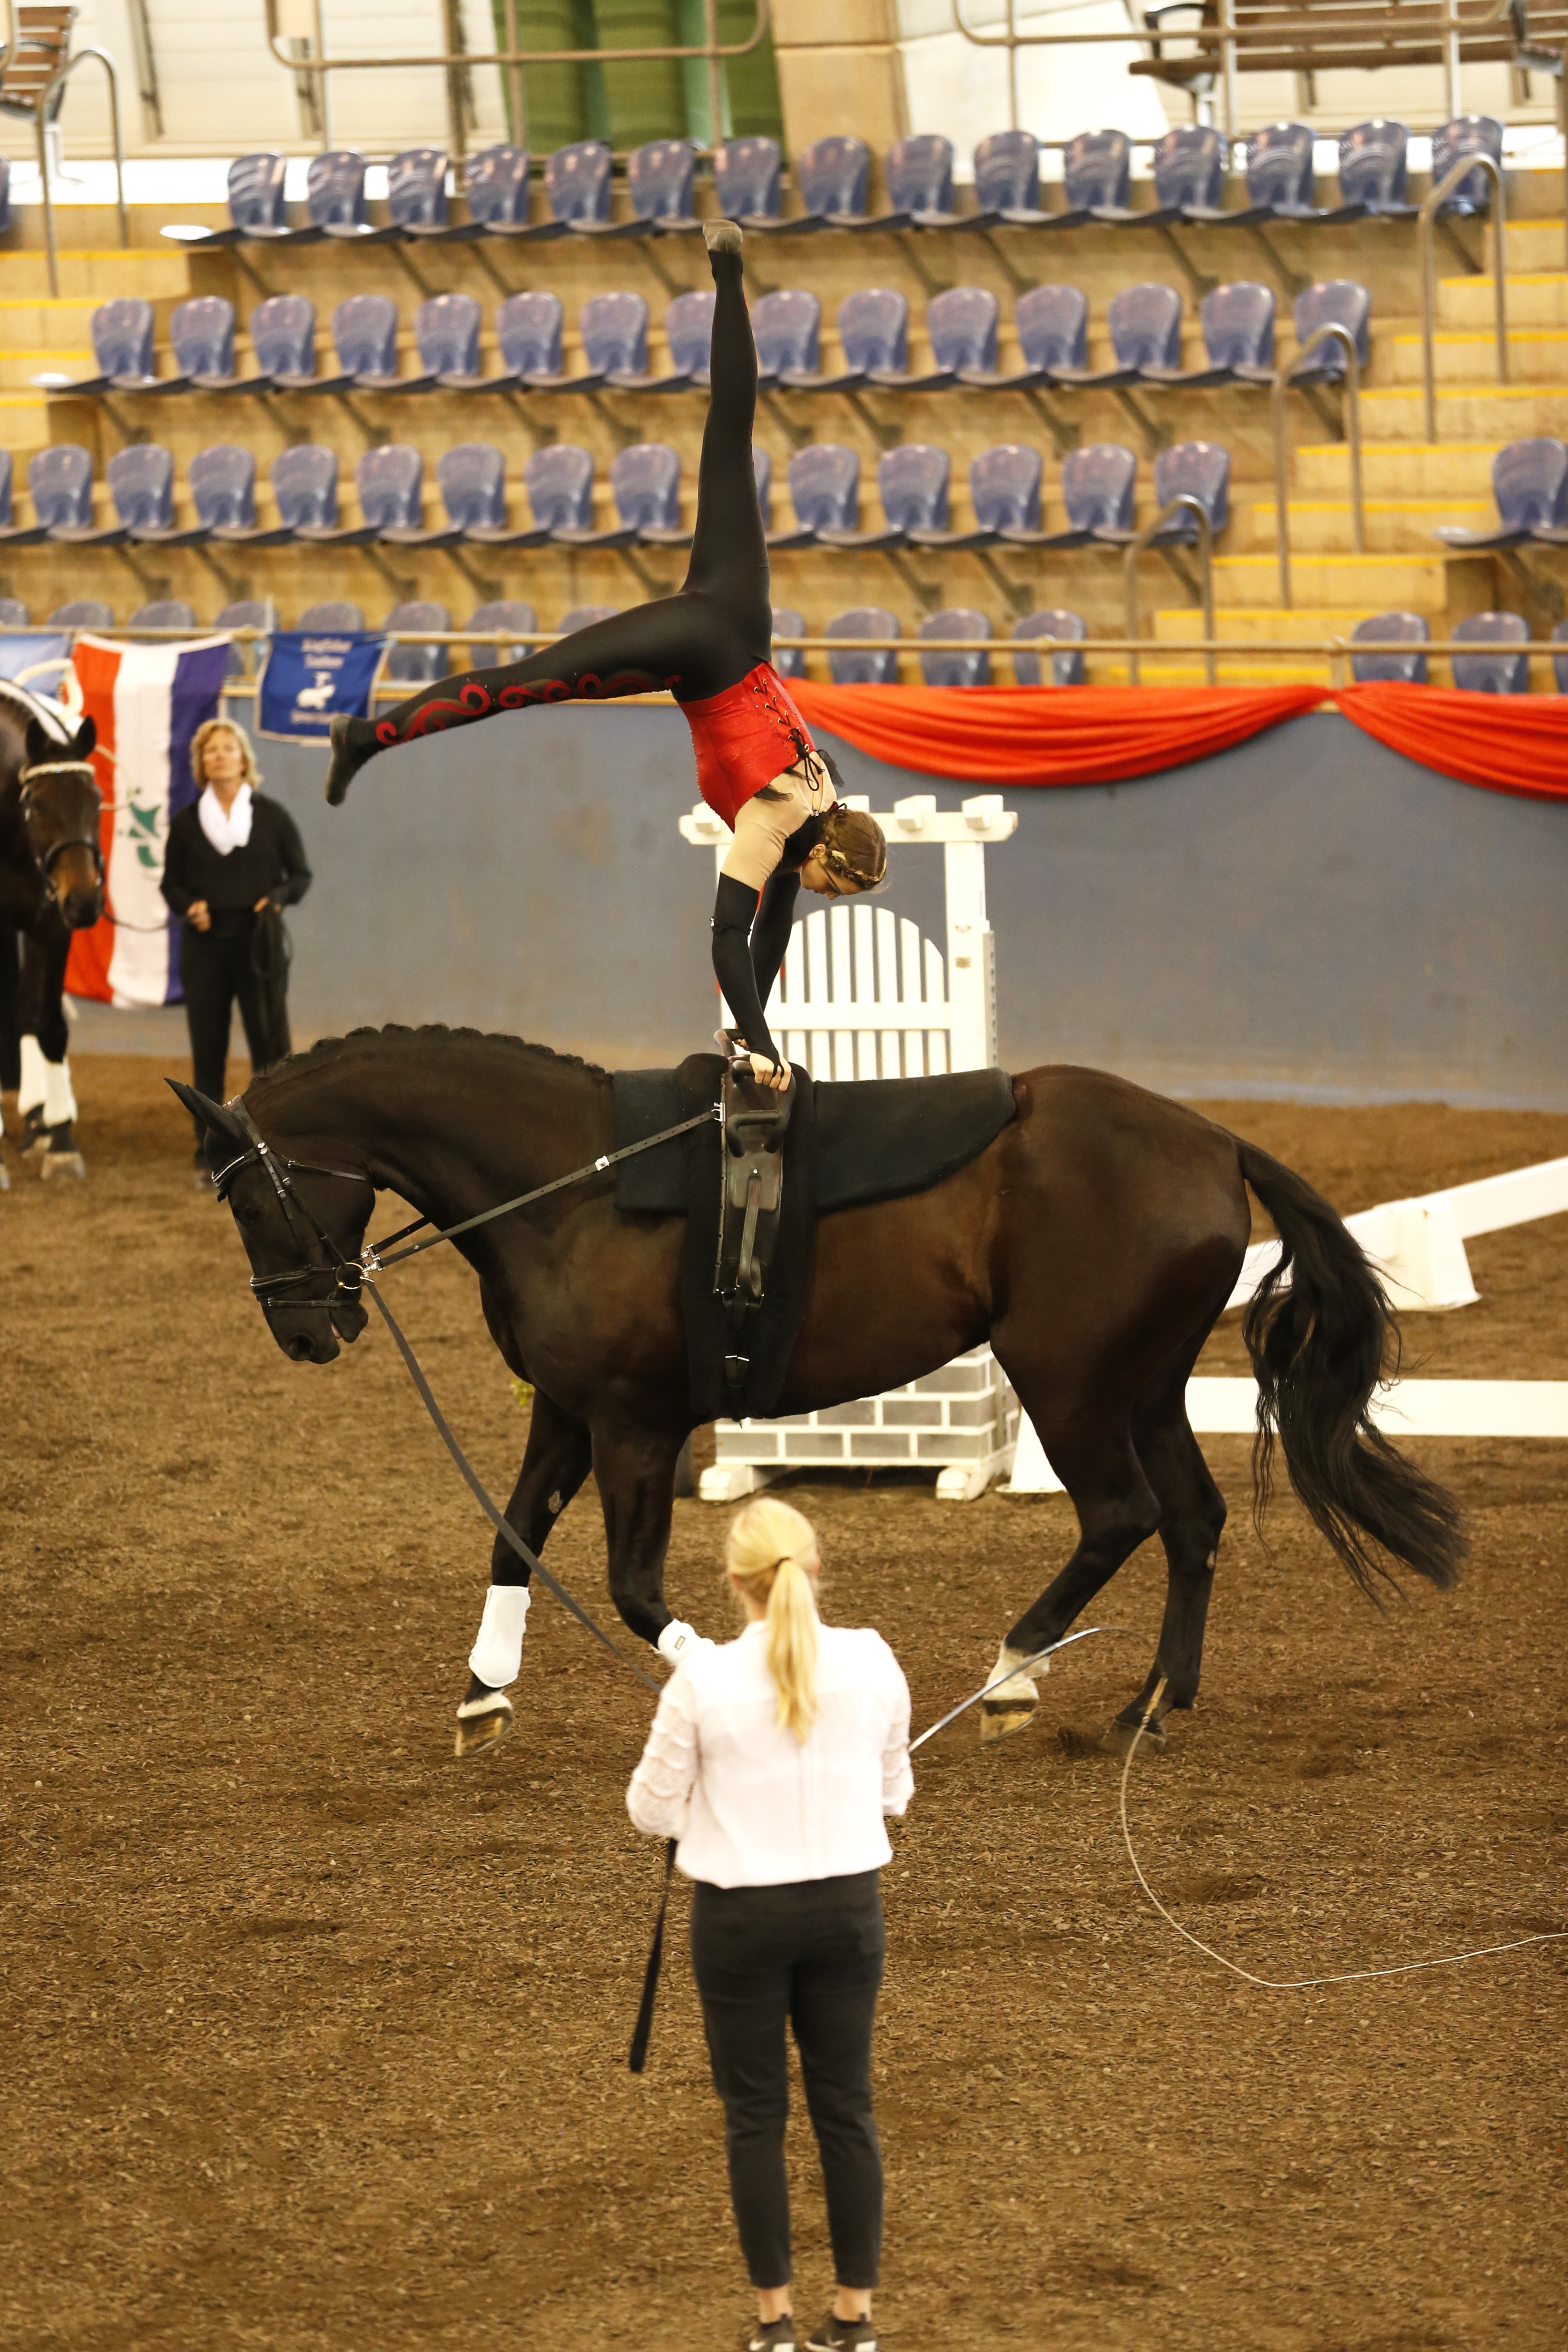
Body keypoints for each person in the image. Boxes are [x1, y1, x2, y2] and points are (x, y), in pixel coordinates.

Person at [320, 221, 887, 1095]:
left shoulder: (823, 793)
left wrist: (757, 1038)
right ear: (830, 860)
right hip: (702, 655)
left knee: (730, 434)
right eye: (836, 891)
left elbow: (773, 925)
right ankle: (366, 738)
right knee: (521, 685)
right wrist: (761, 1043)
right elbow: (729, 937)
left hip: (745, 619)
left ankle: (729, 268)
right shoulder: (774, 823)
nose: (825, 897)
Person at [627, 1498, 911, 2352]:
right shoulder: (870, 1659)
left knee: (755, 2114)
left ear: (735, 1581)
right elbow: (894, 1790)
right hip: (846, 1913)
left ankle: (774, 2322)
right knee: (846, 2108)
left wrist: (701, 1802)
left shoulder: (702, 1678)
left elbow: (649, 1807)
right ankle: (855, 2319)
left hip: (740, 1920)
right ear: (814, 1567)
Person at [162, 716, 310, 1161]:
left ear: (244, 760)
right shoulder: (187, 824)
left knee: (270, 1045)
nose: (220, 755)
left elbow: (300, 875)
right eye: (211, 750)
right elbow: (170, 884)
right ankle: (209, 1146)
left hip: (257, 946)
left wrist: (278, 899)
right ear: (202, 764)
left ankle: (277, 1137)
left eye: (228, 748)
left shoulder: (272, 818)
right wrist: (190, 906)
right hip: (205, 948)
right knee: (208, 1047)